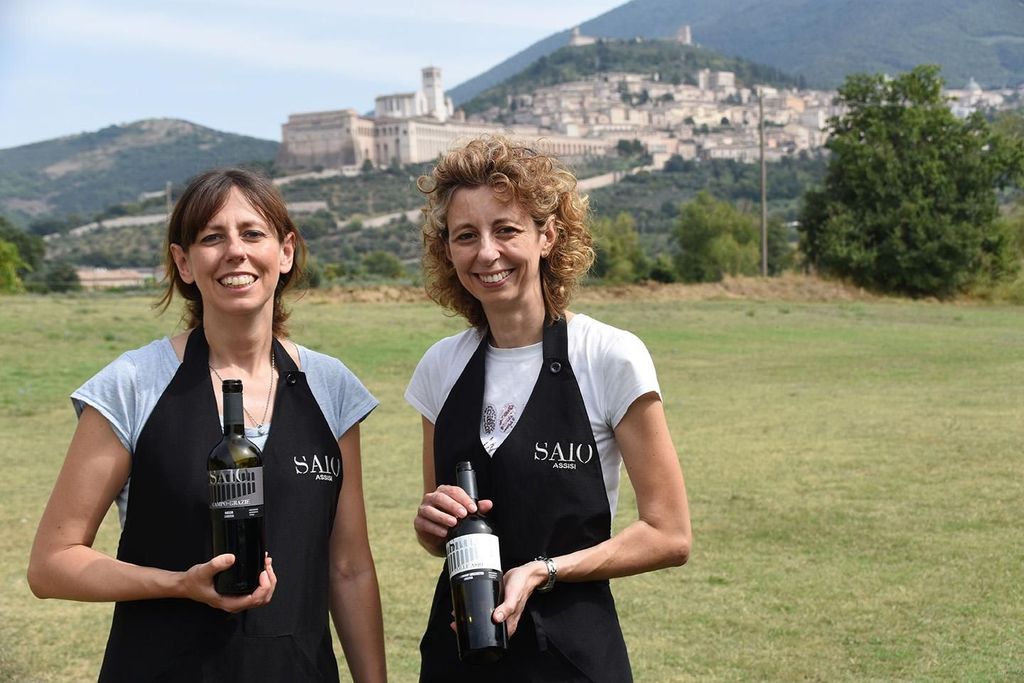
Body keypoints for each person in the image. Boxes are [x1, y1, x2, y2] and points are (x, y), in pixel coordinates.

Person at [28, 168, 387, 683]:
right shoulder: (133, 383)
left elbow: (348, 568)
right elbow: (51, 565)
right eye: (212, 237)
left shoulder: (331, 386)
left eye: (253, 233)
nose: (235, 252)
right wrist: (178, 584)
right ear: (184, 262)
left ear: (285, 252)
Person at [407, 135, 692, 682]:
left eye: (506, 229)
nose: (486, 252)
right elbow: (441, 539)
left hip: (571, 656)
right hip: (458, 653)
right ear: (448, 251)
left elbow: (669, 534)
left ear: (548, 236)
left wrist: (545, 571)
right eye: (466, 236)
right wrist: (429, 524)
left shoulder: (608, 356)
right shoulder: (440, 367)